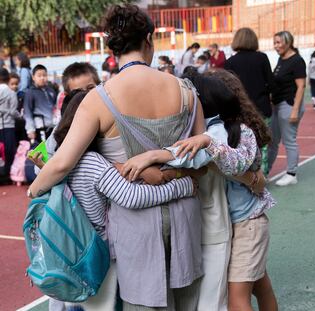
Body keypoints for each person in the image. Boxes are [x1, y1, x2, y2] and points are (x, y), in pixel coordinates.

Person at [28, 4, 205, 310]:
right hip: (185, 219)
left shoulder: (99, 98)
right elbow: (202, 162)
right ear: (149, 38)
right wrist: (174, 175)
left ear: (110, 48)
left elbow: (63, 162)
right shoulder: (186, 91)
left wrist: (34, 190)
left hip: (135, 227)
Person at [30, 90, 198, 311]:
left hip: (68, 252)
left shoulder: (56, 160)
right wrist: (183, 186)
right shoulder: (92, 162)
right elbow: (132, 196)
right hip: (98, 254)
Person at [170, 69, 278, 311]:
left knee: (237, 298)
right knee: (261, 284)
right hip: (239, 222)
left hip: (247, 223)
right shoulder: (215, 131)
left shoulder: (237, 133)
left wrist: (209, 144)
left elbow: (236, 165)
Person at [224, 27, 273, 174]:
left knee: (244, 144)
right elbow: (271, 83)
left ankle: (248, 175)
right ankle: (262, 174)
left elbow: (227, 88)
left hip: (241, 110)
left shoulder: (231, 62)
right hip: (262, 107)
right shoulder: (262, 58)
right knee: (263, 143)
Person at [268, 31, 306, 186]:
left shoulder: (297, 60)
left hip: (288, 105)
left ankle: (291, 174)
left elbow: (301, 86)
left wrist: (295, 109)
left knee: (289, 140)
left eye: (278, 42)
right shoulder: (281, 59)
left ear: (288, 42)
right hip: (277, 105)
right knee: (272, 140)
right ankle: (265, 171)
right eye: (274, 43)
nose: (276, 46)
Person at [23, 64, 57, 142]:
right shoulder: (30, 93)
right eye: (39, 75)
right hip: (39, 127)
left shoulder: (51, 91)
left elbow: (55, 108)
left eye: (44, 75)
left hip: (53, 126)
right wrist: (30, 129)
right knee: (43, 151)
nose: (42, 78)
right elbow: (27, 112)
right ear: (33, 77)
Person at [0, 68, 19, 178]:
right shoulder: (11, 93)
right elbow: (13, 112)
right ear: (8, 78)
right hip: (9, 126)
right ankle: (7, 175)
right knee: (9, 152)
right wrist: (20, 116)